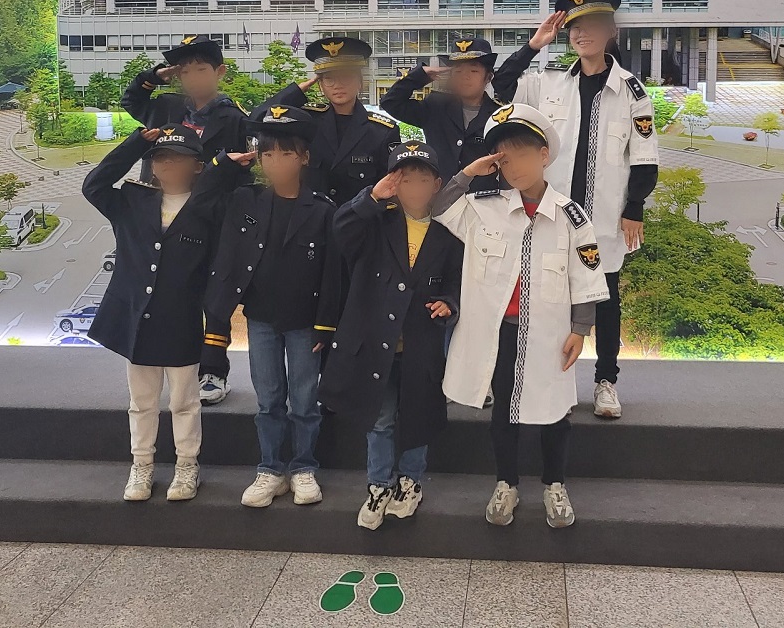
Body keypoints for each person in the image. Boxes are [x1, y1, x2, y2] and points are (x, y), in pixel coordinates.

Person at [433, 103, 610, 528]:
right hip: (501, 334)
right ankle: (506, 483)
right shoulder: (484, 207)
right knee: (503, 412)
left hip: (550, 334)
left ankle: (554, 484)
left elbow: (584, 275)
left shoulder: (571, 217)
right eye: (504, 158)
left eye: (523, 154)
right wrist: (468, 173)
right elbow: (437, 207)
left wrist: (580, 328)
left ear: (544, 155)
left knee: (555, 411)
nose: (514, 167)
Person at [492, 0, 660, 420]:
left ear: (611, 31)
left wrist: (634, 208)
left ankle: (606, 381)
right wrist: (533, 45)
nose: (583, 35)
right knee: (549, 297)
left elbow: (644, 156)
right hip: (555, 215)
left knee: (605, 298)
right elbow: (500, 87)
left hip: (604, 217)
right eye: (575, 28)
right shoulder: (549, 83)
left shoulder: (632, 91)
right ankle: (552, 382)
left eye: (592, 26)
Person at [83, 124, 253, 503]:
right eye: (161, 158)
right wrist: (134, 144)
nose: (169, 165)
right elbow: (94, 186)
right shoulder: (133, 201)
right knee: (142, 401)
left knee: (184, 401)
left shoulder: (209, 208)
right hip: (137, 320)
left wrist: (225, 166)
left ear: (197, 166)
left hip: (182, 320)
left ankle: (187, 465)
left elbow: (239, 203)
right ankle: (141, 465)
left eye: (179, 159)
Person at [319, 141, 462, 530]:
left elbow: (457, 279)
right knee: (380, 420)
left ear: (437, 184)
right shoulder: (376, 222)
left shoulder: (449, 230)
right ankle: (378, 484)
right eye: (405, 179)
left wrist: (449, 302)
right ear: (392, 183)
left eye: (422, 179)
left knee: (417, 416)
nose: (414, 188)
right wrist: (371, 197)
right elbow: (341, 230)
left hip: (421, 343)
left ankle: (410, 481)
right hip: (375, 344)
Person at [205, 102, 342, 509]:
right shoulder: (245, 200)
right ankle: (270, 469)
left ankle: (303, 468)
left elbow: (332, 273)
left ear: (304, 158)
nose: (276, 162)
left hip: (305, 322)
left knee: (304, 401)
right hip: (261, 318)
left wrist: (326, 324)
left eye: (286, 153)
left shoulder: (322, 209)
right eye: (267, 154)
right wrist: (224, 163)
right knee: (268, 400)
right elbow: (203, 196)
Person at [120, 34, 250, 407]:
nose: (193, 78)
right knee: (164, 293)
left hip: (209, 220)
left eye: (201, 70)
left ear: (219, 72)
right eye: (185, 71)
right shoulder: (167, 107)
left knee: (213, 297)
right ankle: (170, 365)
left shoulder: (234, 118)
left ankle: (213, 371)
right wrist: (154, 77)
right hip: (161, 213)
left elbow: (241, 173)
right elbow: (131, 101)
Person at [266, 36, 400, 206]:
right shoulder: (307, 121)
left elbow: (391, 190)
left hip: (360, 220)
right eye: (329, 79)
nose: (337, 85)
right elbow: (258, 120)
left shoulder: (383, 131)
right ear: (320, 85)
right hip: (310, 219)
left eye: (345, 76)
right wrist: (296, 92)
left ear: (360, 82)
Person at [378, 36, 501, 191]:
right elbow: (391, 102)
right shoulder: (436, 106)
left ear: (488, 77)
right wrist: (419, 76)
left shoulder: (499, 115)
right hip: (439, 198)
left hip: (483, 199)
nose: (465, 76)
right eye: (458, 71)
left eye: (474, 70)